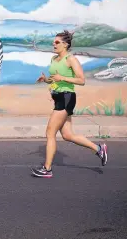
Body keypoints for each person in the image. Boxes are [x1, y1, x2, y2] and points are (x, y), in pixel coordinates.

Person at [32, 30, 108, 178]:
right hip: (58, 97)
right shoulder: (54, 59)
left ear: (65, 45)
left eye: (57, 42)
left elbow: (81, 80)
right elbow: (55, 79)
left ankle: (47, 169)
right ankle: (99, 149)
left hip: (67, 97)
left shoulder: (70, 59)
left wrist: (63, 78)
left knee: (50, 132)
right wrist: (46, 80)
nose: (53, 44)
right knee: (67, 135)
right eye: (53, 42)